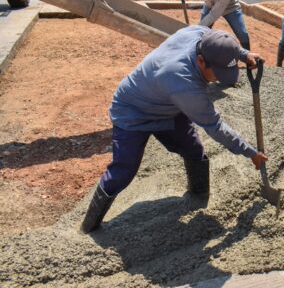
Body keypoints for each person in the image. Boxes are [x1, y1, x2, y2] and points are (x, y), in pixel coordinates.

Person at [81, 26, 268, 233]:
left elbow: (219, 41)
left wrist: (243, 54)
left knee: (194, 150)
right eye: (217, 73)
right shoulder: (184, 84)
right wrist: (250, 152)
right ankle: (89, 227)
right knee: (124, 170)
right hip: (133, 111)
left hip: (166, 103)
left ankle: (198, 198)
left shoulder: (198, 34)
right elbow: (215, 126)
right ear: (200, 60)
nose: (217, 79)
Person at [179, 0, 251, 50]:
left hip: (231, 8)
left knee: (242, 34)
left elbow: (214, 14)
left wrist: (197, 27)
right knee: (202, 32)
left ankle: (248, 58)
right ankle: (200, 53)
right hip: (210, 4)